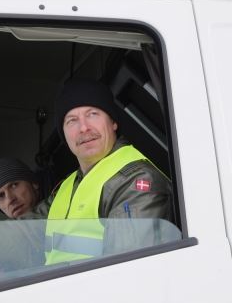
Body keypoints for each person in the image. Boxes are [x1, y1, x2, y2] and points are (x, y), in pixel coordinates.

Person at [38, 78, 174, 264]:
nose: (83, 128)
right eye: (72, 121)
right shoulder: (67, 186)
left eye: (92, 114)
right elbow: (23, 235)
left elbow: (126, 267)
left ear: (113, 122)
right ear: (64, 134)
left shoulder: (135, 177)